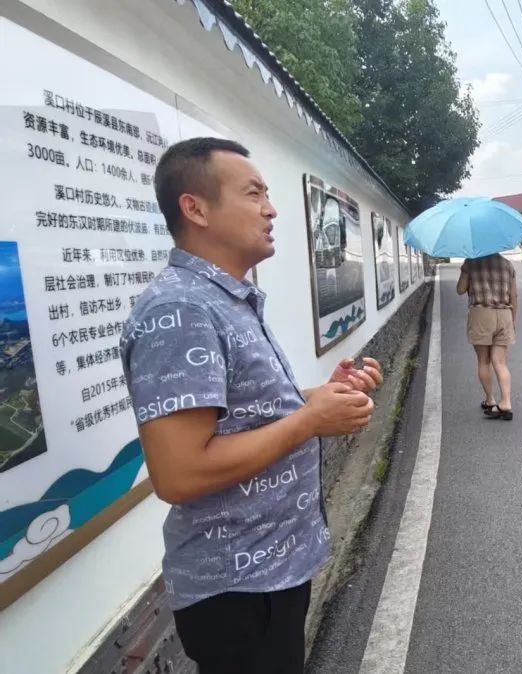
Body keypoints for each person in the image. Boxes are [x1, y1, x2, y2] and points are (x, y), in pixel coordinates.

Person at [121, 137, 383, 674]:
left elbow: (248, 414)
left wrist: (323, 395)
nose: (271, 209)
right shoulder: (181, 309)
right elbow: (179, 473)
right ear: (195, 209)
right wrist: (310, 420)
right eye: (254, 193)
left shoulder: (223, 298)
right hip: (237, 589)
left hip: (272, 569)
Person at [457, 253, 517, 420]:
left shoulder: (471, 262)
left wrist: (465, 271)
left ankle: (490, 400)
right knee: (500, 362)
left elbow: (460, 290)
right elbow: (514, 295)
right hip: (504, 314)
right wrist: (513, 319)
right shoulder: (507, 265)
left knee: (484, 361)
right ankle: (506, 402)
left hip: (481, 314)